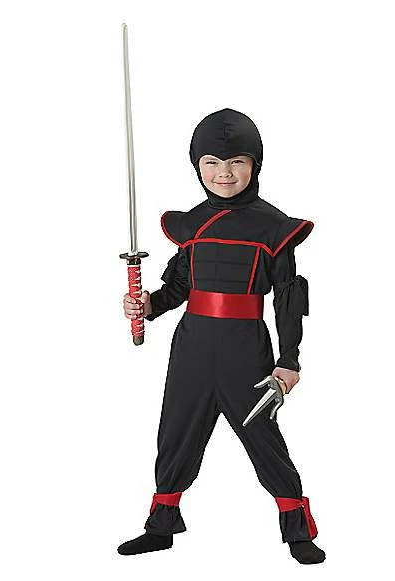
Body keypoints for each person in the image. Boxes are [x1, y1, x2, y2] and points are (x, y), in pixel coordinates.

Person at [117, 108, 325, 564]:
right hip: (191, 346)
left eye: (236, 162)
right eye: (211, 162)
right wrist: (147, 305)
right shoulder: (191, 225)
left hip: (245, 350)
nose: (223, 173)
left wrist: (289, 360)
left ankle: (297, 530)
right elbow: (177, 288)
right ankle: (161, 526)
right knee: (176, 432)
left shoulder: (273, 227)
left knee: (262, 437)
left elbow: (288, 299)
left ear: (255, 165)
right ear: (197, 166)